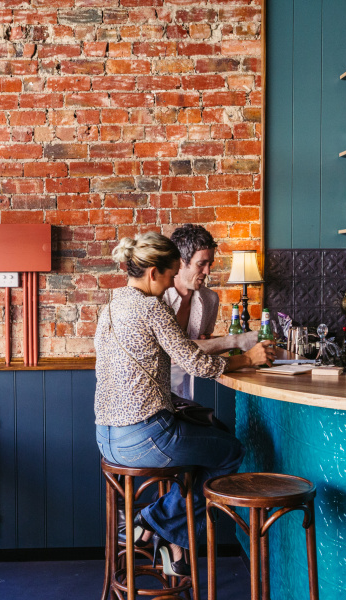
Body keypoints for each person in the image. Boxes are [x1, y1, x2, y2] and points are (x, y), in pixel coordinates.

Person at [95, 232, 275, 576]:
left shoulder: (112, 305)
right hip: (145, 438)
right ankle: (151, 520)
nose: (170, 283)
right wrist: (248, 358)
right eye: (170, 274)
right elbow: (197, 363)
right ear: (153, 273)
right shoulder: (152, 307)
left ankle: (166, 537)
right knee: (231, 450)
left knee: (202, 445)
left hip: (106, 439)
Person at [164, 224, 258, 400]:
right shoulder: (158, 299)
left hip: (192, 390)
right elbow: (175, 353)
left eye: (210, 264)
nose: (207, 271)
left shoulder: (210, 299)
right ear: (180, 262)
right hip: (155, 391)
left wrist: (209, 344)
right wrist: (235, 342)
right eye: (201, 264)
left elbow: (202, 351)